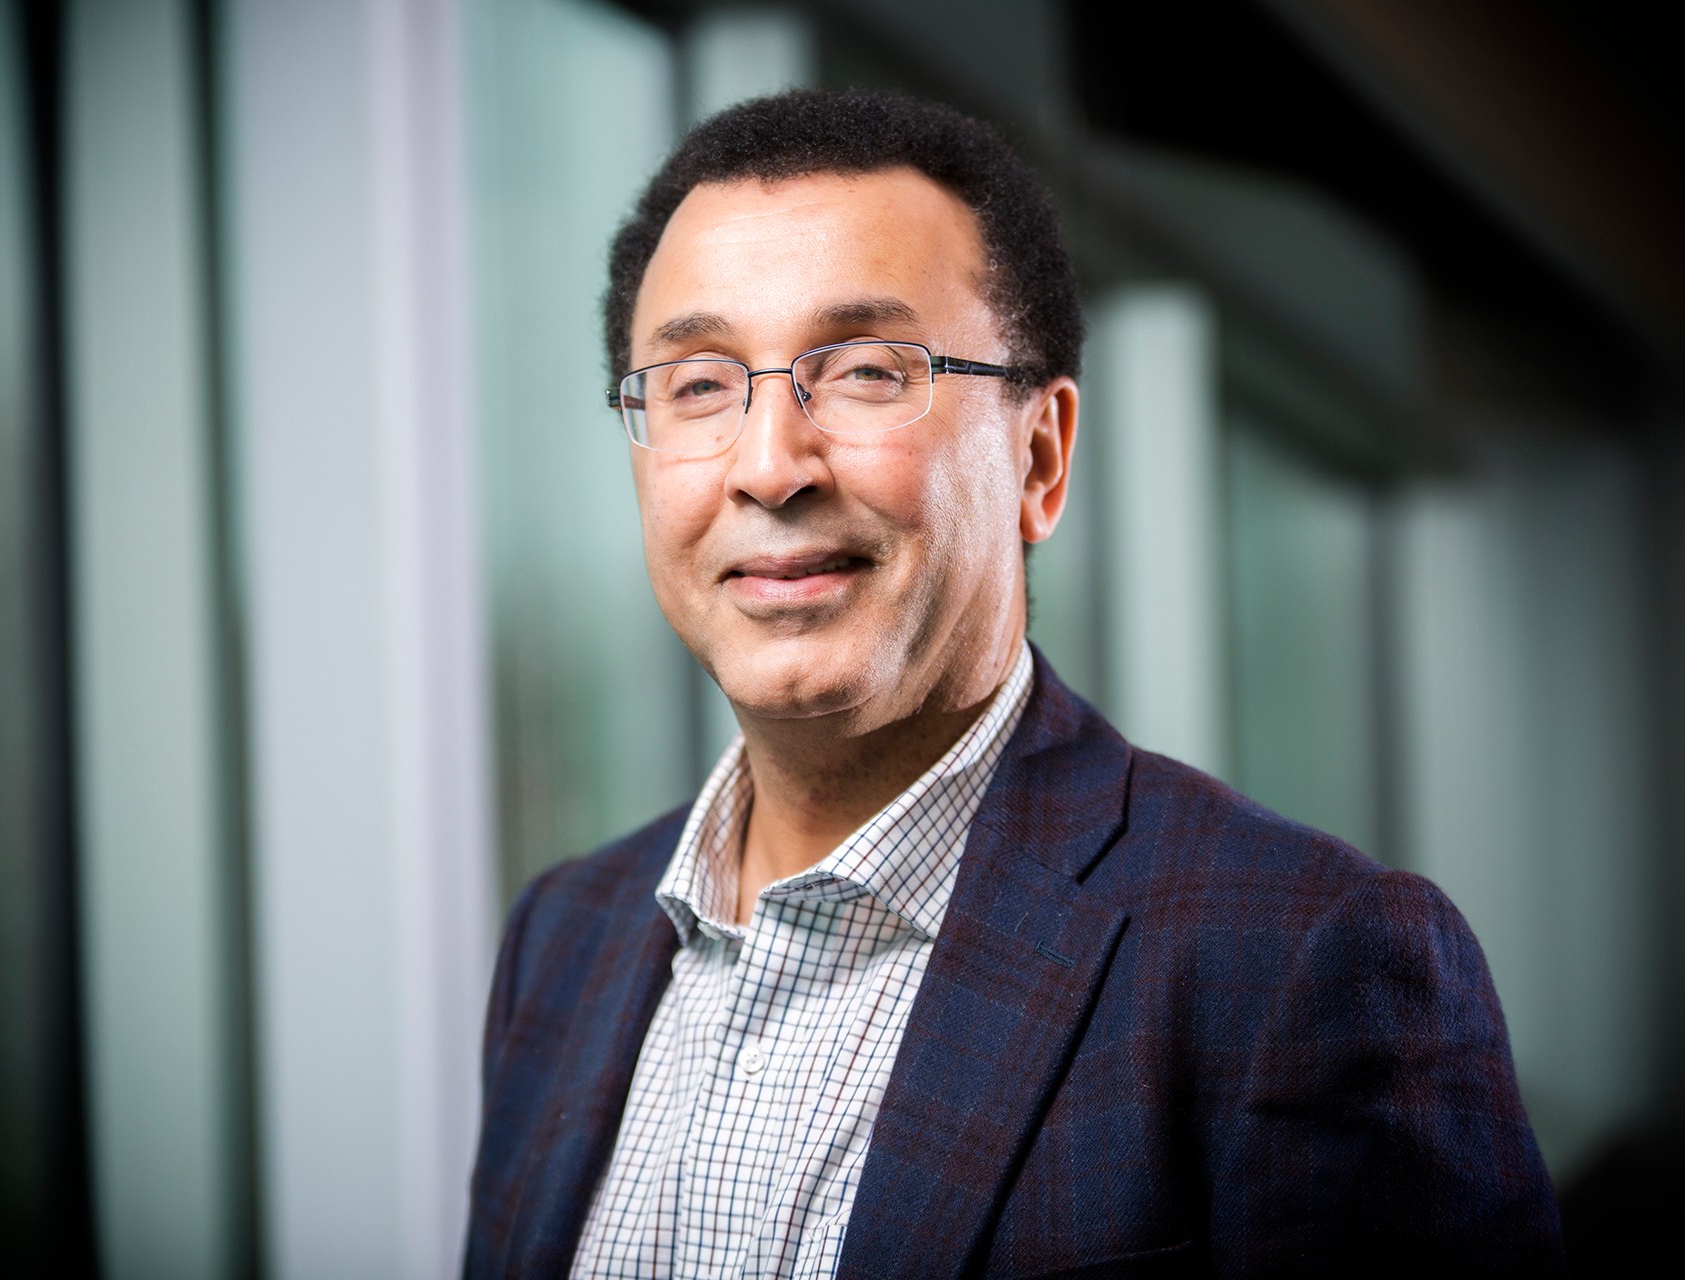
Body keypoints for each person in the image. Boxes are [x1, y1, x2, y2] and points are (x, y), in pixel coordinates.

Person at [463, 90, 1562, 1278]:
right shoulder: (562, 942)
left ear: (1038, 457)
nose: (770, 466)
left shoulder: (1305, 960)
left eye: (868, 372)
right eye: (697, 384)